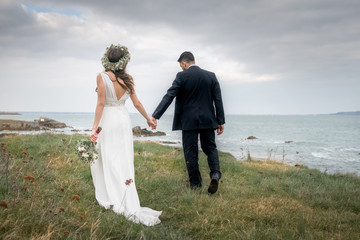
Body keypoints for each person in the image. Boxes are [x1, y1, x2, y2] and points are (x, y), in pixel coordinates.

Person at [90, 44, 162, 226]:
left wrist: (94, 129)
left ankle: (111, 193)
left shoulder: (102, 77)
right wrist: (148, 119)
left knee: (108, 156)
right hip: (122, 120)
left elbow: (100, 105)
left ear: (107, 59)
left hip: (108, 119)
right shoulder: (128, 79)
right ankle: (124, 193)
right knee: (122, 158)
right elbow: (136, 104)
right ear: (124, 61)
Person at [152, 51, 225, 194]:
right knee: (210, 148)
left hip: (188, 121)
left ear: (184, 63)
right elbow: (218, 100)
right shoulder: (211, 76)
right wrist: (220, 121)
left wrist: (156, 115)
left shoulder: (181, 76)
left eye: (181, 65)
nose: (181, 68)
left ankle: (195, 184)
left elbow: (169, 96)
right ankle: (215, 174)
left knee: (190, 151)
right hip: (208, 120)